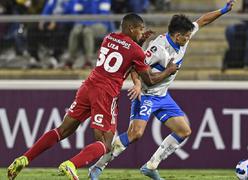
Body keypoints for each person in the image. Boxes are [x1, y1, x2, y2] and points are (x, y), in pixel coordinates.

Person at [7, 13, 178, 180]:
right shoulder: (136, 51)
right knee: (106, 143)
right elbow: (150, 79)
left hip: (88, 86)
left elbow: (126, 52)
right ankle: (71, 165)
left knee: (62, 130)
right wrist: (169, 70)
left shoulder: (108, 38)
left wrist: (140, 41)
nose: (142, 33)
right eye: (140, 30)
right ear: (131, 28)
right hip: (105, 93)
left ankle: (25, 158)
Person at [88, 1, 235, 180]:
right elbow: (136, 67)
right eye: (187, 37)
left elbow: (202, 21)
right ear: (178, 35)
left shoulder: (183, 37)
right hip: (147, 95)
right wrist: (137, 85)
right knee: (135, 134)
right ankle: (98, 167)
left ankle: (151, 166)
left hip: (163, 96)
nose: (189, 39)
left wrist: (223, 10)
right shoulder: (158, 48)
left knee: (184, 131)